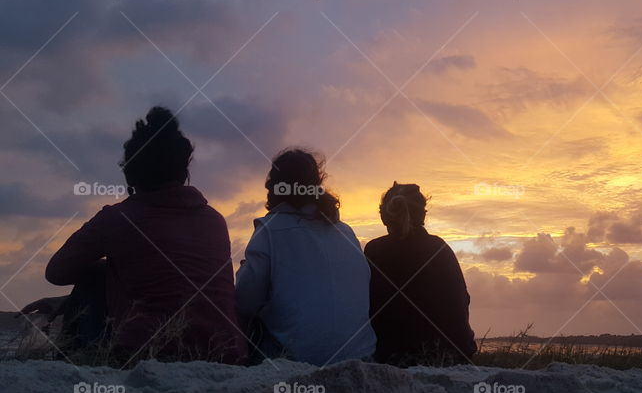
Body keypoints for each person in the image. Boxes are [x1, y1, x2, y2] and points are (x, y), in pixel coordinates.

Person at [24, 107, 247, 364]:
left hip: (147, 353)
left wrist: (107, 268)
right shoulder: (215, 220)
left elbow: (56, 272)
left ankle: (72, 367)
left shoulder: (117, 219)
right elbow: (174, 288)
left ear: (130, 173)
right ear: (183, 170)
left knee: (94, 272)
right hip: (225, 355)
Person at [235, 148, 376, 365]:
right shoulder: (347, 232)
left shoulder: (270, 230)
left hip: (297, 362)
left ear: (274, 187)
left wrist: (244, 271)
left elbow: (244, 303)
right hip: (360, 358)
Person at [364, 183, 476, 365]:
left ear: (384, 217)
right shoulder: (440, 248)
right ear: (423, 215)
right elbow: (462, 301)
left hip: (394, 357)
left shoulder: (374, 251)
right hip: (452, 355)